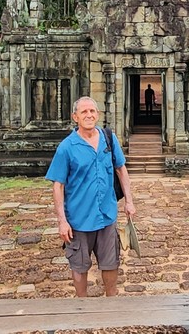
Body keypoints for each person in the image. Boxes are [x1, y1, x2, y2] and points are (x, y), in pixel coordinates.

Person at [46, 96, 136, 297]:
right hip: (78, 219)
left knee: (111, 262)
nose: (89, 115)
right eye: (84, 112)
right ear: (75, 117)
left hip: (106, 215)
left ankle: (111, 300)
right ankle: (82, 305)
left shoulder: (109, 138)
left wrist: (129, 201)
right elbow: (58, 185)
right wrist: (62, 221)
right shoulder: (67, 147)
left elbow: (121, 169)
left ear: (98, 114)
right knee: (79, 266)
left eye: (92, 111)